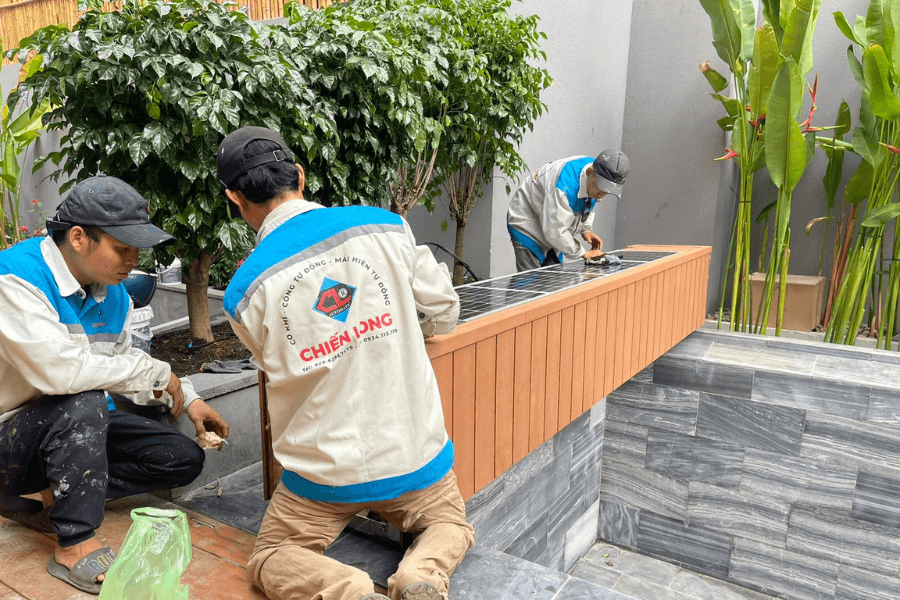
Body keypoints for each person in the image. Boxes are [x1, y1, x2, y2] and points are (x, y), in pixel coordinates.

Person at [218, 126, 475, 600]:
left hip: (322, 479)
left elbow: (273, 362)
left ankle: (348, 590)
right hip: (415, 460)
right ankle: (421, 576)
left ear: (234, 197)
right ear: (299, 175)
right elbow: (444, 310)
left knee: (271, 555)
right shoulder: (385, 226)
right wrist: (395, 327)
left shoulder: (244, 290)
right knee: (449, 524)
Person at [0, 175, 230, 595]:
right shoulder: (15, 278)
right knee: (83, 398)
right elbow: (60, 372)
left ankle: (48, 497)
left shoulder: (115, 294)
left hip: (74, 428)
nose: (133, 259)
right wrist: (158, 375)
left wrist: (189, 398)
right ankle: (73, 542)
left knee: (180, 458)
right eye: (122, 248)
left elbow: (124, 363)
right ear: (78, 238)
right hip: (10, 436)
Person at [506, 150, 630, 272]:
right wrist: (583, 253)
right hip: (527, 223)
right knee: (530, 281)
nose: (601, 195)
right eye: (600, 189)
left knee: (552, 278)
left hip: (552, 224)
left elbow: (588, 204)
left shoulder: (597, 175)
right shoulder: (563, 187)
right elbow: (555, 231)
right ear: (589, 172)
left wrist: (586, 229)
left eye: (606, 192)